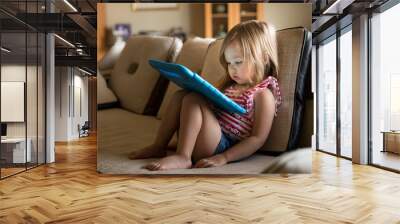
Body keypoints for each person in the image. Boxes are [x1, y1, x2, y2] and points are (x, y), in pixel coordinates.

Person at [128, 20, 282, 171]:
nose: (232, 69)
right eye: (229, 63)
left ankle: (184, 157)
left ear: (263, 57)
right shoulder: (229, 85)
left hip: (220, 145)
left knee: (193, 99)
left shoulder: (262, 94)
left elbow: (257, 139)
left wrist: (225, 157)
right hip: (204, 135)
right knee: (180, 95)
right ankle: (158, 146)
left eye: (238, 62)